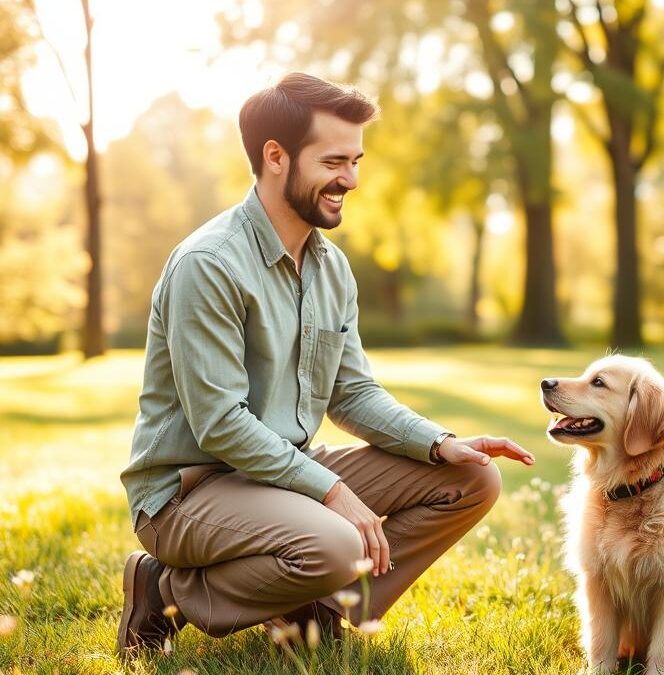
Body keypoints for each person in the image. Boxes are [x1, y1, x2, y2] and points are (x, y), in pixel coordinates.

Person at [117, 72, 535, 654]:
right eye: (334, 161)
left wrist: (439, 443)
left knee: (473, 479)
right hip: (188, 492)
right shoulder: (208, 264)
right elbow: (220, 424)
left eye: (356, 161)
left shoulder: (331, 268)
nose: (351, 180)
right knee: (340, 544)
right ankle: (165, 588)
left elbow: (352, 393)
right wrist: (332, 491)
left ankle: (316, 611)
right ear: (276, 157)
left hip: (279, 472)